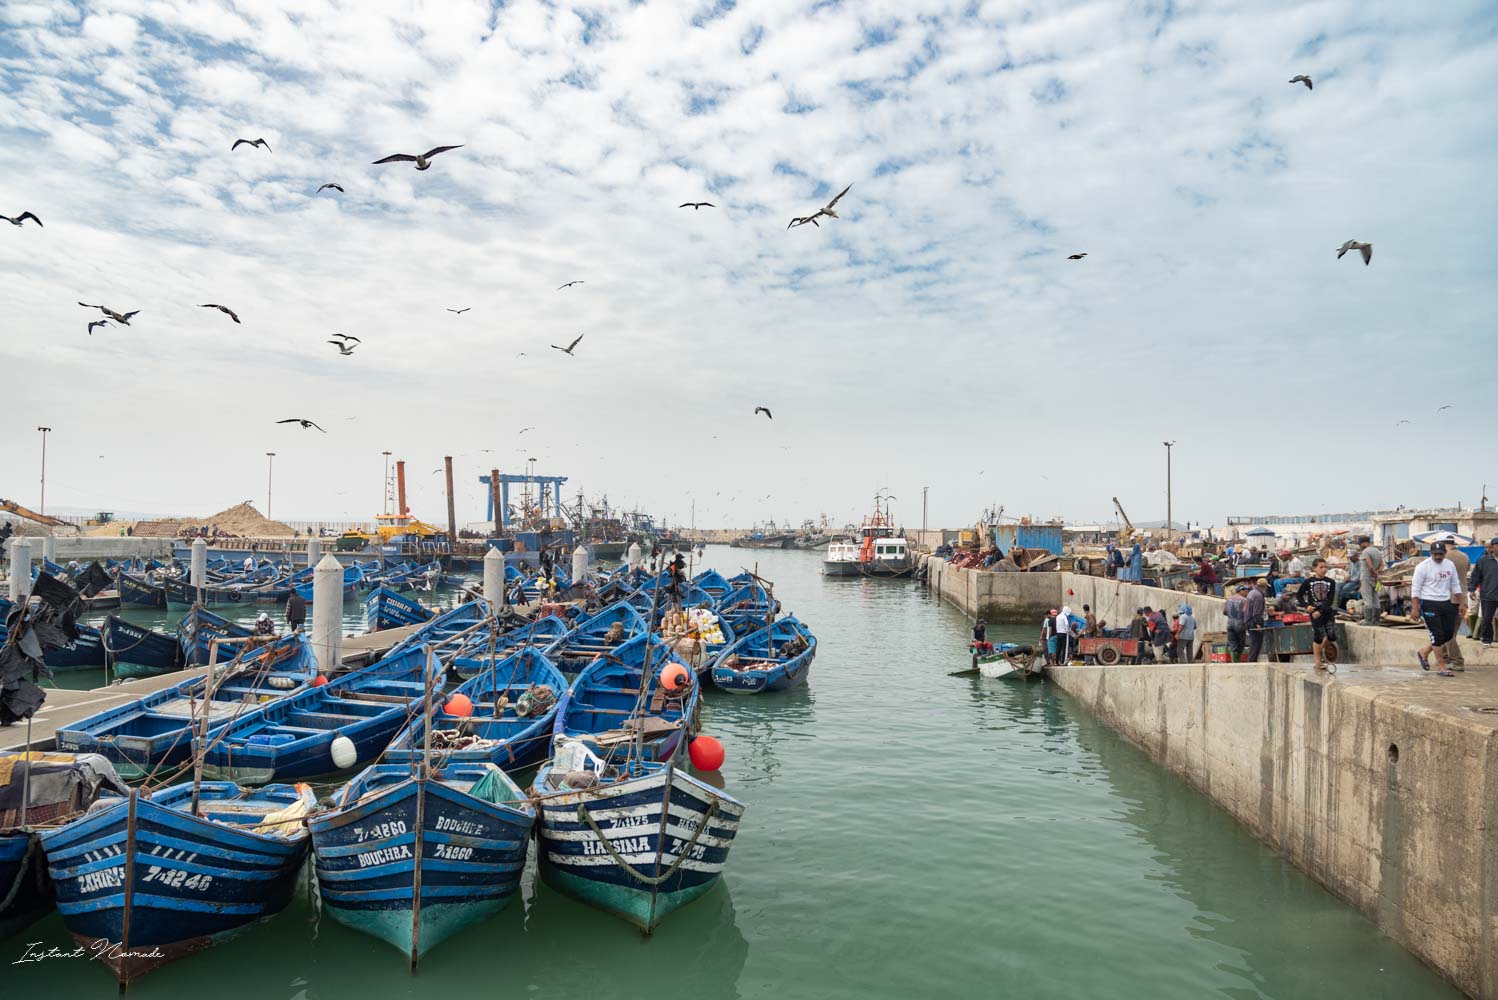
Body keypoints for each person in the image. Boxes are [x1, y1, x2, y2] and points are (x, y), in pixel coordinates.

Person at [1412, 542, 1466, 676]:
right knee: (1436, 635)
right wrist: (1415, 608)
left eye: (1440, 554)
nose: (1437, 557)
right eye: (1435, 554)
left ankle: (1424, 651)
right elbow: (1415, 588)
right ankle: (1441, 667)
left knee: (1448, 634)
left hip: (1445, 602)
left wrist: (1462, 603)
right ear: (1430, 553)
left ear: (1445, 553)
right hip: (1429, 603)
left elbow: (1455, 585)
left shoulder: (1450, 565)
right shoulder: (1423, 567)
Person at [1296, 558, 1339, 671]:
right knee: (1318, 636)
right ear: (1314, 568)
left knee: (1332, 636)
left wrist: (1321, 611)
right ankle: (1317, 661)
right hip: (1314, 612)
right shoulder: (1308, 582)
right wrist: (1306, 606)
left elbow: (1330, 600)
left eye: (1325, 567)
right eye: (1321, 567)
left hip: (1327, 612)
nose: (1324, 569)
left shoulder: (1331, 582)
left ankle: (1321, 651)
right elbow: (1299, 595)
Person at [1468, 538, 1498, 649]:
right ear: (1492, 547)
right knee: (1486, 619)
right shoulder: (1483, 561)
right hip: (1488, 595)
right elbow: (1476, 576)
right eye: (1497, 545)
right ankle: (1486, 640)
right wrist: (1472, 589)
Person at [1357, 536, 1384, 625]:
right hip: (1375, 579)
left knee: (1367, 599)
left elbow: (1369, 565)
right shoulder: (1377, 551)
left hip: (1366, 578)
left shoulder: (1365, 552)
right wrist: (1377, 572)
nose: (1360, 547)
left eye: (1360, 545)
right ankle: (1376, 620)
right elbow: (1382, 565)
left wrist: (1373, 572)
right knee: (1375, 599)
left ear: (1363, 543)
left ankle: (1368, 620)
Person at [1244, 579, 1268, 663]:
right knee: (1256, 644)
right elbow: (1256, 612)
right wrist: (1258, 623)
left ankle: (1252, 661)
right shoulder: (1259, 596)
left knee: (1253, 642)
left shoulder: (1251, 593)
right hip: (1254, 622)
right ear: (1264, 587)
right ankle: (1252, 662)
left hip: (1248, 620)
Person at [1225, 586, 1250, 662]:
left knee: (1232, 643)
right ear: (1240, 591)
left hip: (1229, 624)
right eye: (1245, 591)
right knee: (1240, 643)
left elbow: (1224, 612)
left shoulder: (1228, 599)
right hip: (1240, 624)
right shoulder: (1244, 600)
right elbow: (1246, 613)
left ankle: (1234, 661)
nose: (1246, 593)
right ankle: (1237, 660)